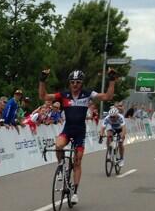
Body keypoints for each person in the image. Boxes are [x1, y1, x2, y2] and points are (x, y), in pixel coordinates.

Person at [38, 67, 117, 204]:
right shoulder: (64, 95)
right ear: (69, 83)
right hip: (67, 129)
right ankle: (61, 167)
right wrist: (42, 81)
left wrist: (111, 81)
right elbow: (43, 96)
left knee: (77, 161)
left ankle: (75, 191)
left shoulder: (87, 94)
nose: (75, 85)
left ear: (82, 83)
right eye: (73, 82)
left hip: (80, 131)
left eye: (78, 82)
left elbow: (107, 97)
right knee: (58, 145)